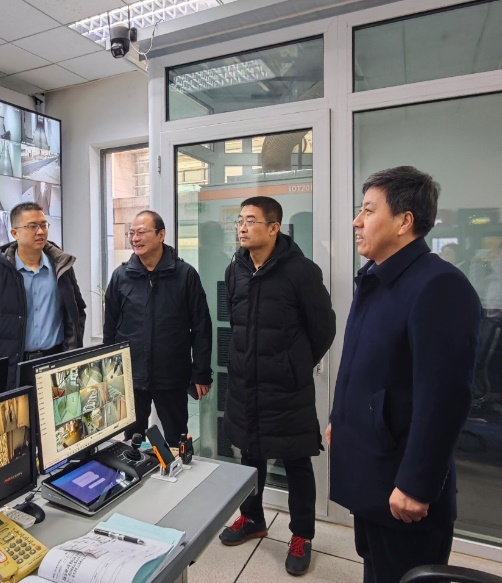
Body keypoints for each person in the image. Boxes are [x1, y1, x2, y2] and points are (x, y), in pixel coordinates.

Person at [328, 166, 482, 583]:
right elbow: (364, 367)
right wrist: (340, 419)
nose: (357, 222)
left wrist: (416, 484)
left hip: (402, 485)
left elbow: (445, 397)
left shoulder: (439, 286)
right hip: (373, 472)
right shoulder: (377, 278)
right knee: (375, 569)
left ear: (404, 221)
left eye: (368, 211)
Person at [219, 197, 335, 577]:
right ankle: (252, 518)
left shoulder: (301, 272)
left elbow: (323, 329)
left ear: (274, 228)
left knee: (296, 459)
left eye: (251, 221)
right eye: (240, 220)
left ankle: (301, 535)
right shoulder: (235, 269)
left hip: (286, 389)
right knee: (249, 454)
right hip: (245, 384)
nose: (242, 227)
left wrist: (293, 363)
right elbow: (236, 323)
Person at [103, 210, 212, 447]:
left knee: (177, 440)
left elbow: (201, 327)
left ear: (161, 235)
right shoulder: (121, 276)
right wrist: (109, 371)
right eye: (131, 233)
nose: (135, 238)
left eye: (141, 232)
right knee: (132, 442)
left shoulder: (184, 275)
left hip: (172, 375)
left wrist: (201, 372)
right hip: (131, 376)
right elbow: (109, 328)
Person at [0, 202, 86, 386]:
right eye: (32, 226)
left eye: (44, 225)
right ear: (15, 233)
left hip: (56, 364)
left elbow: (77, 312)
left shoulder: (61, 269)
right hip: (13, 368)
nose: (40, 232)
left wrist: (71, 352)